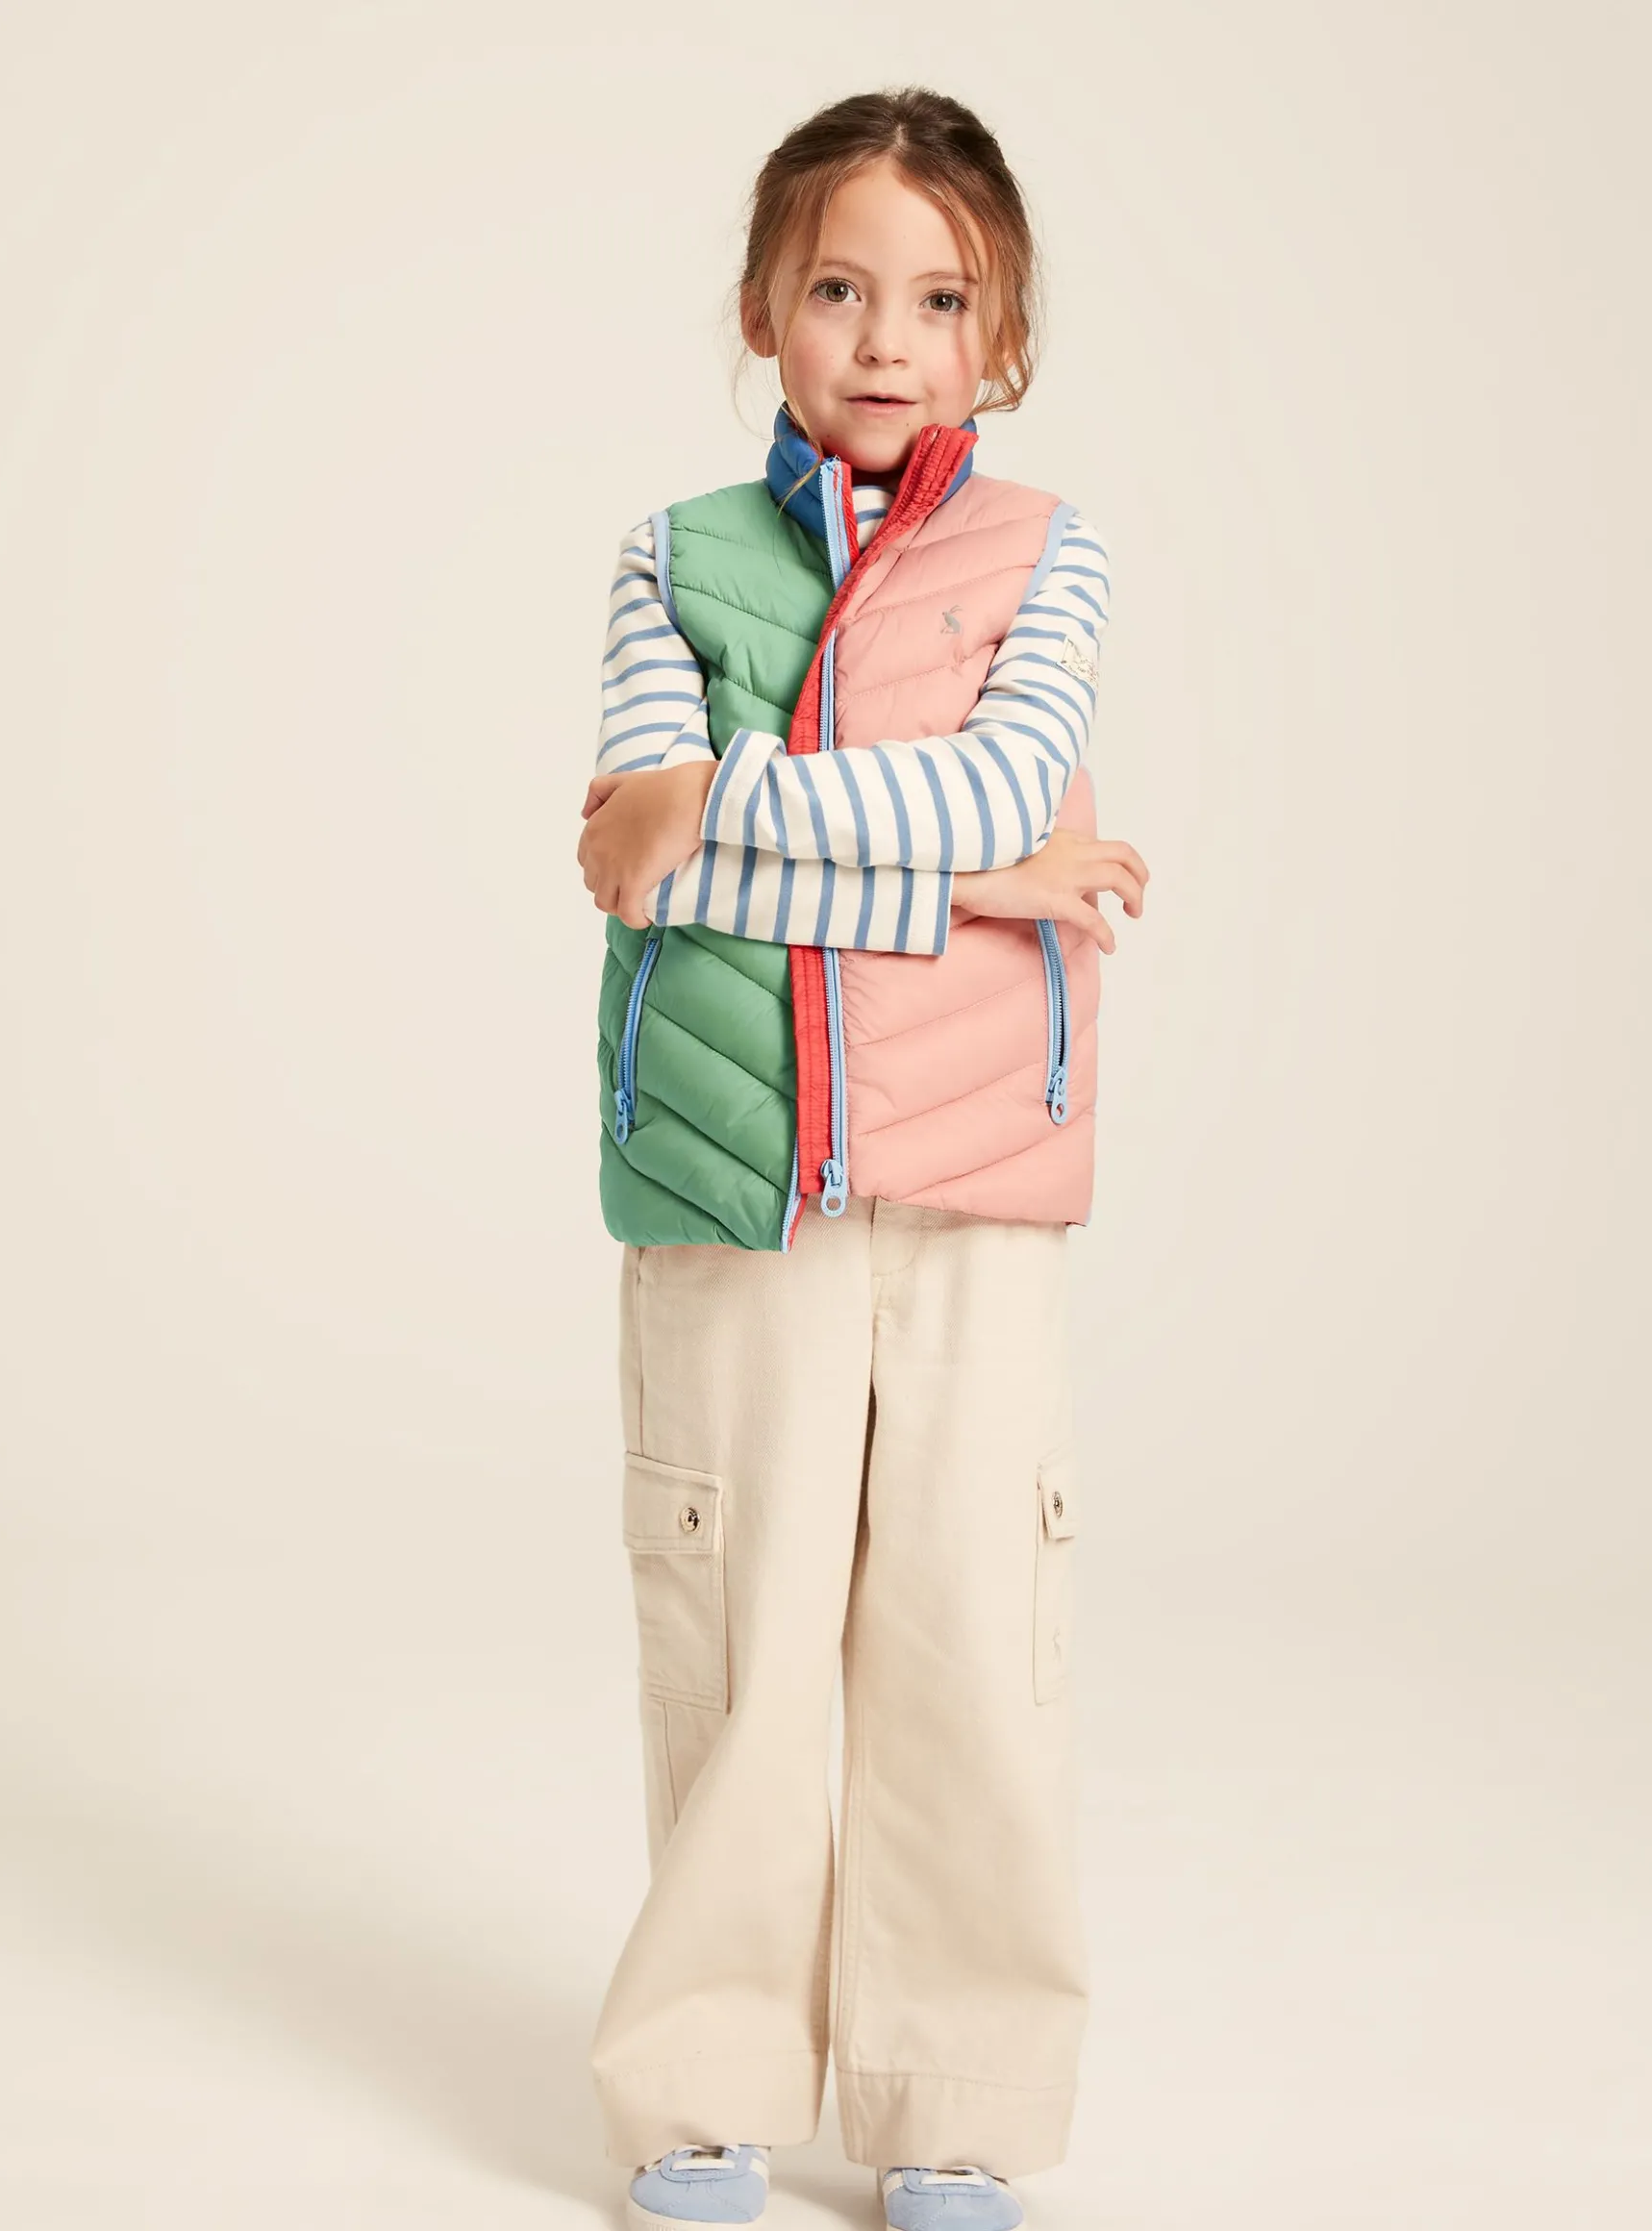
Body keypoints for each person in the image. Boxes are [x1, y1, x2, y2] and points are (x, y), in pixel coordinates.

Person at [576, 85, 1149, 2231]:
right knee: (741, 1633)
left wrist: (724, 804)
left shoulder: (1050, 555)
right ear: (763, 309)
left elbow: (988, 775)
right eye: (838, 288)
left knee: (966, 1638)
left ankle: (957, 2101)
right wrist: (985, 881)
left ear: (1001, 340)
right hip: (735, 1182)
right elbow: (642, 864)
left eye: (940, 300)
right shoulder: (669, 559)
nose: (886, 338)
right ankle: (702, 2085)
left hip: (976, 1177)